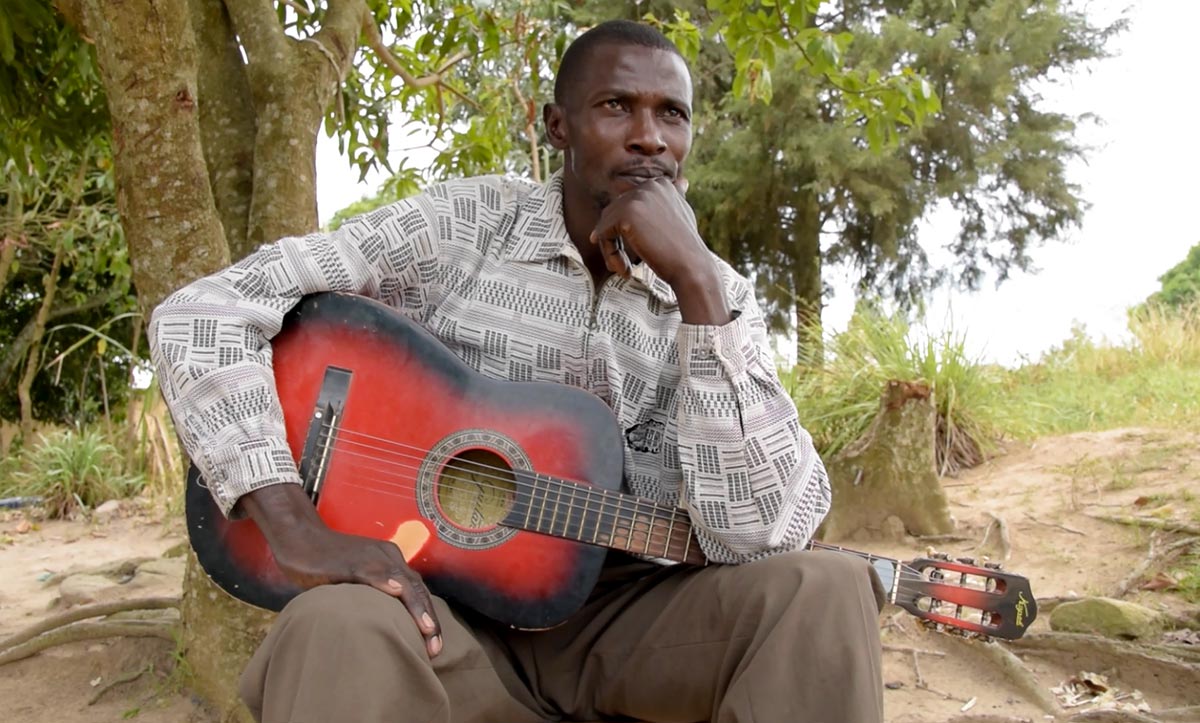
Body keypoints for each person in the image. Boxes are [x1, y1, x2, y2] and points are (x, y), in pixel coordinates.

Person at [150, 19, 885, 723]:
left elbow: (763, 535)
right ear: (557, 126)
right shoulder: (461, 225)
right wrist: (291, 523)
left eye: (673, 115)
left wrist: (696, 286)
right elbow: (201, 312)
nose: (650, 137)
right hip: (444, 618)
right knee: (337, 623)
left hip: (634, 626)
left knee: (825, 587)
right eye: (615, 106)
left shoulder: (721, 297)